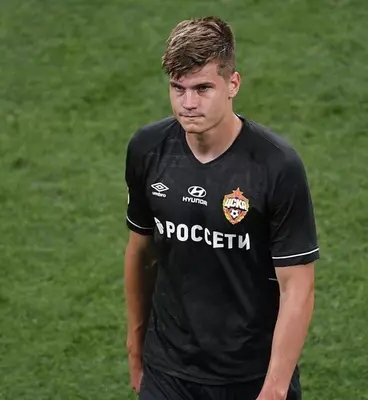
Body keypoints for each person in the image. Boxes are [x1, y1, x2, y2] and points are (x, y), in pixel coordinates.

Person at [123, 16, 319, 400]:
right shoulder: (148, 149)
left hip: (249, 376)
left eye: (202, 88)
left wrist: (275, 387)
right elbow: (140, 253)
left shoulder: (276, 166)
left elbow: (297, 285)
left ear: (233, 84)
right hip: (168, 372)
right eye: (178, 88)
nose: (188, 104)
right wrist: (136, 347)